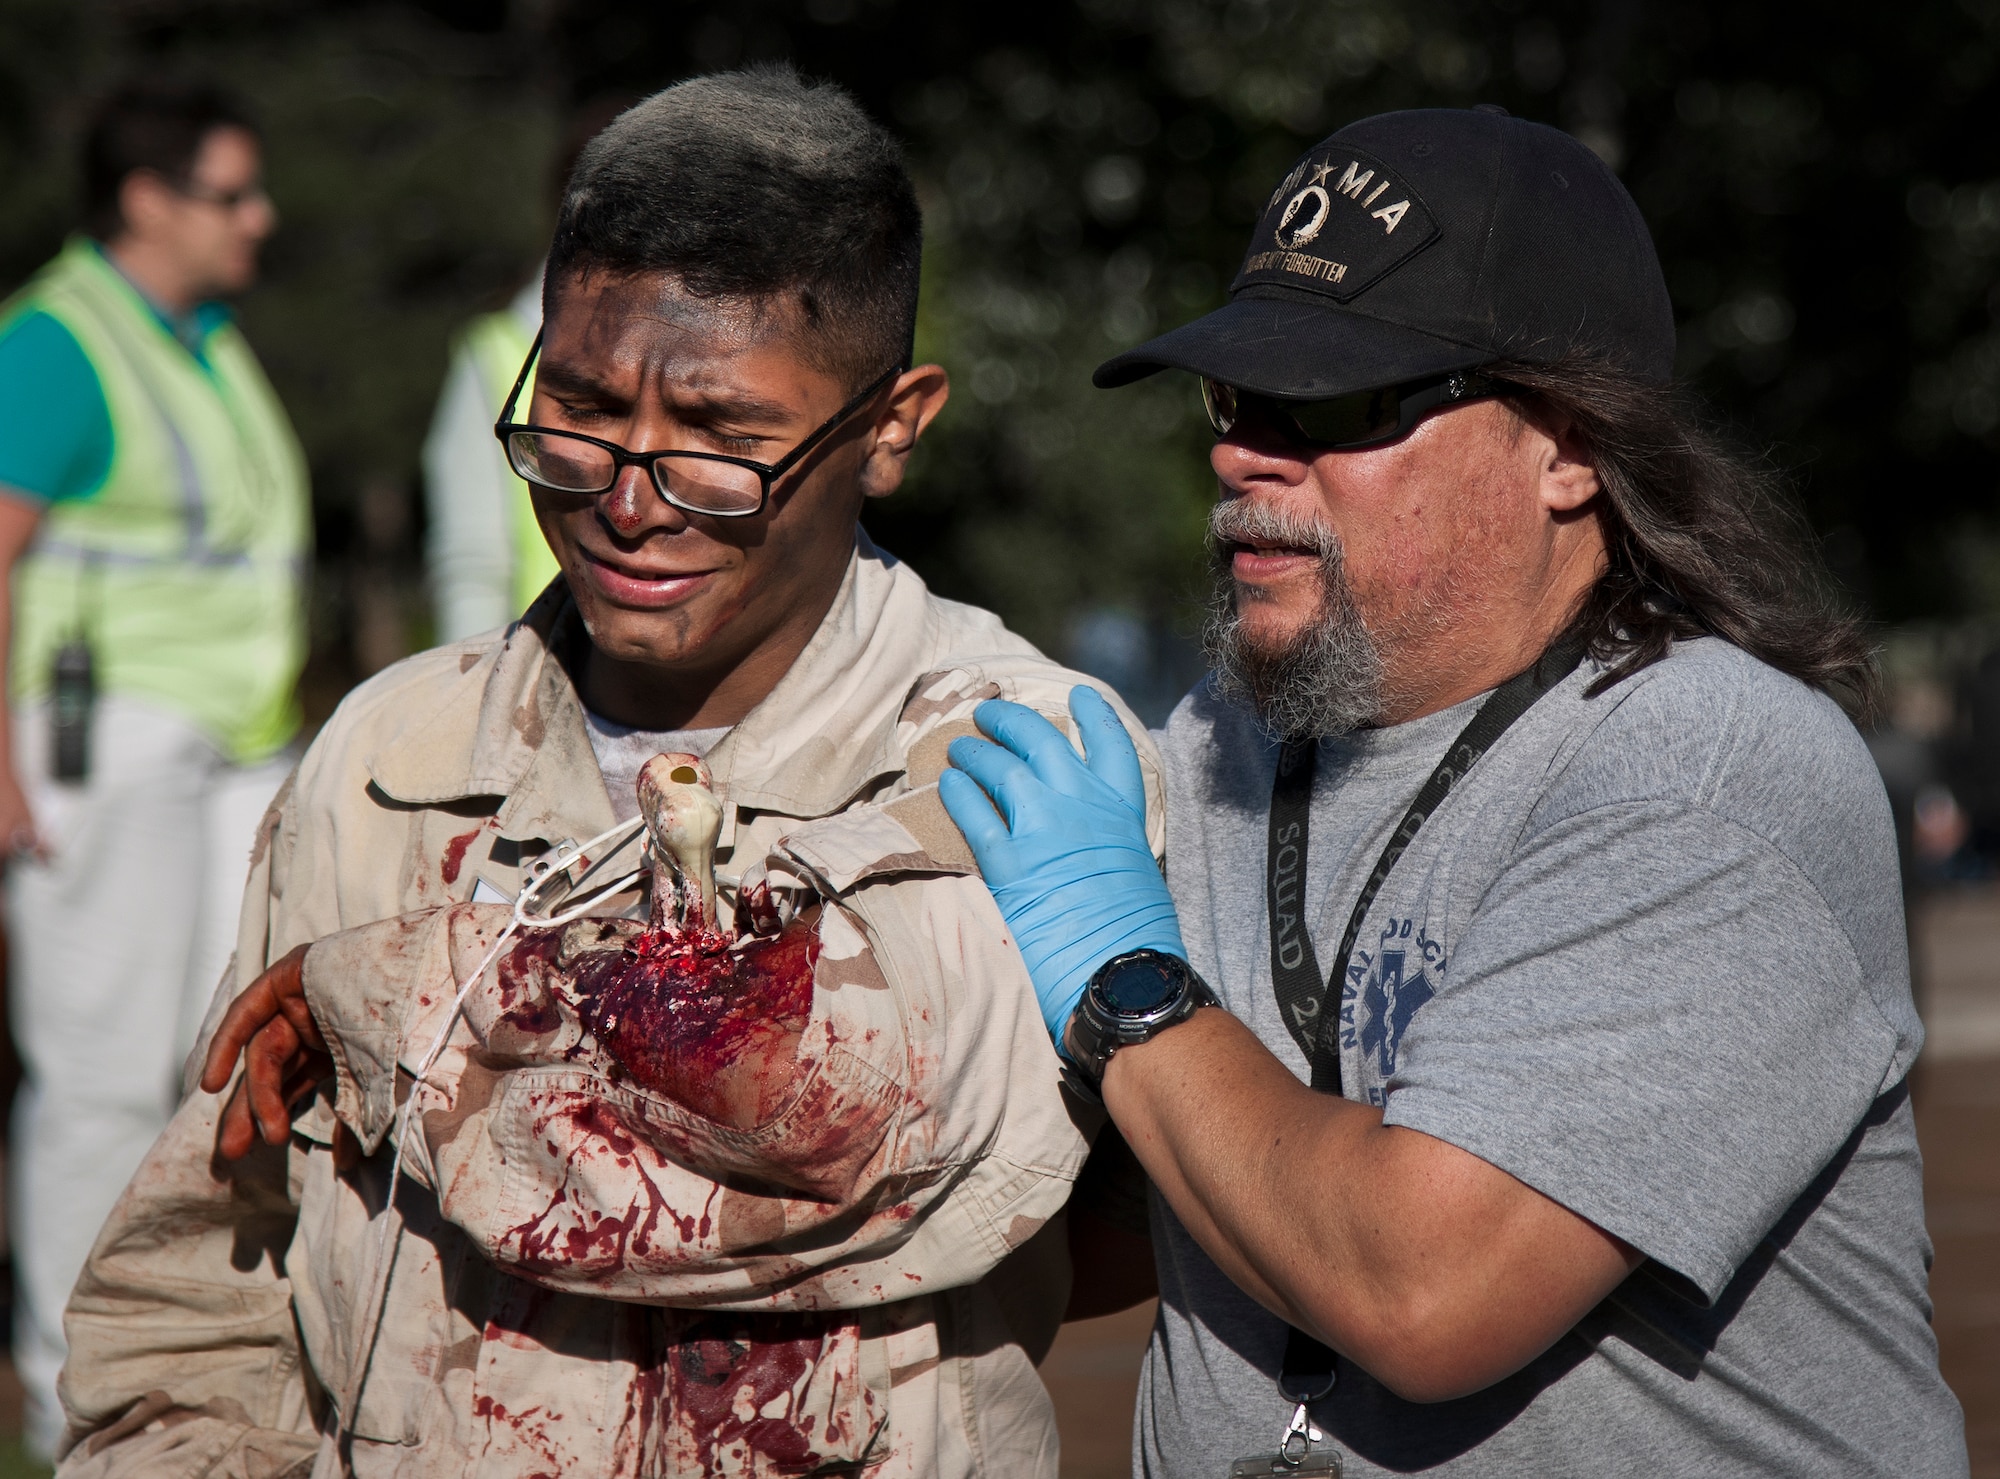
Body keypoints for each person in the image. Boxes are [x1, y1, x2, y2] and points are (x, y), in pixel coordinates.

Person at [53, 68, 1159, 1478]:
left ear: (892, 426)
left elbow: (827, 1141)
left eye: (722, 439)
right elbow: (201, 1285)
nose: (628, 503)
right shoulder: (391, 760)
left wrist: (378, 1002)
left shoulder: (1013, 758)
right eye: (573, 409)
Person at [940, 107, 1971, 1477]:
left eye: (1334, 405)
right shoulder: (1221, 745)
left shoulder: (1710, 778)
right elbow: (1126, 1214)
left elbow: (1424, 1290)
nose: (1245, 454)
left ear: (1572, 447)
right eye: (1236, 400)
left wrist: (1124, 979)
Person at [0, 78, 308, 1456]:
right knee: (100, 1077)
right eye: (231, 192)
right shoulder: (60, 345)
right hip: (99, 749)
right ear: (147, 199)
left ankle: (190, 1366)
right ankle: (80, 1381)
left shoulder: (197, 340)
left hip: (224, 750)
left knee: (205, 1072)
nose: (262, 216)